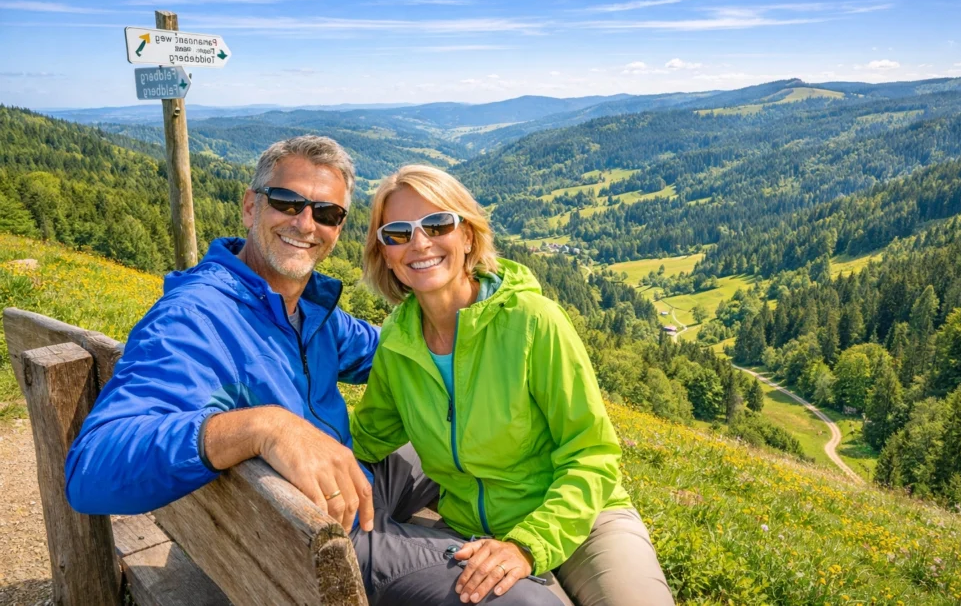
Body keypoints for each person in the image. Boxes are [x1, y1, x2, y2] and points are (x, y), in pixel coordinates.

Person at [64, 137, 556, 605]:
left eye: (326, 213)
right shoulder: (196, 319)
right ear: (251, 206)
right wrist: (265, 427)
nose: (306, 224)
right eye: (287, 202)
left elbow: (393, 351)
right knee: (525, 598)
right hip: (307, 536)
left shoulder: (309, 311)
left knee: (454, 434)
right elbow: (92, 468)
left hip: (344, 485)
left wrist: (497, 342)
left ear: (338, 227)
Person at [352, 165, 674, 606]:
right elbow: (368, 437)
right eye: (398, 233)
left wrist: (527, 544)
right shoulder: (398, 342)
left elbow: (592, 453)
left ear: (468, 236)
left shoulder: (533, 321)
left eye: (438, 224)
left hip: (583, 521)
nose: (420, 243)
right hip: (471, 531)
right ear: (385, 253)